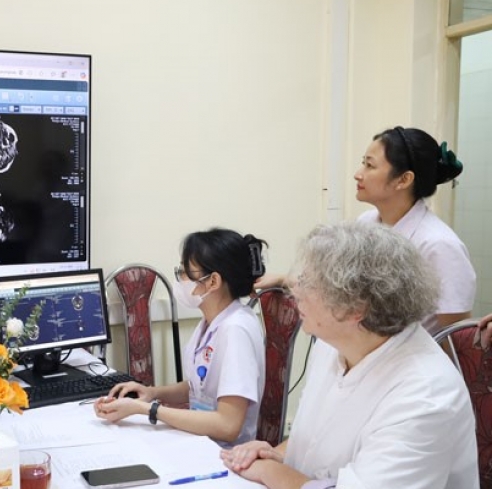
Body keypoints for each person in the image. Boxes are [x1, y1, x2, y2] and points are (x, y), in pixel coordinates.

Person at [222, 222, 478, 489]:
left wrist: (272, 473)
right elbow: (318, 438)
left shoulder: (426, 395)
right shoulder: (334, 343)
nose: (295, 291)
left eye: (309, 283)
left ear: (357, 307)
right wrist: (278, 454)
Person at [256, 126, 476, 334]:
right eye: (363, 163)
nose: (358, 174)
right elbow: (339, 285)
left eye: (370, 166)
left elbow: (455, 338)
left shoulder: (439, 245)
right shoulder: (366, 223)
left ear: (404, 179)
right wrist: (283, 279)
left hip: (406, 357)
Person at [94, 228, 267, 448]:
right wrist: (151, 393)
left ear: (213, 281)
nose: (180, 279)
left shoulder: (236, 330)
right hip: (199, 441)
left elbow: (228, 425)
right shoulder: (212, 322)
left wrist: (147, 409)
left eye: (185, 272)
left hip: (225, 453)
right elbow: (200, 389)